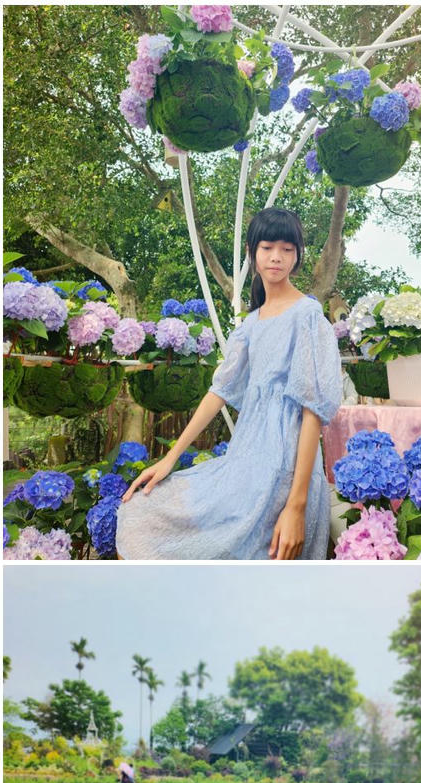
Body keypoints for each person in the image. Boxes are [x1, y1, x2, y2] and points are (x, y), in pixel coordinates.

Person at [116, 207, 345, 560]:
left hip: (285, 470)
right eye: (267, 247)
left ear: (298, 256)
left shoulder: (308, 317)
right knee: (143, 512)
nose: (276, 257)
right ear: (252, 253)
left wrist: (296, 506)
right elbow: (218, 392)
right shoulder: (250, 326)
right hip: (246, 462)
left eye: (287, 248)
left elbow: (311, 412)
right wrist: (170, 458)